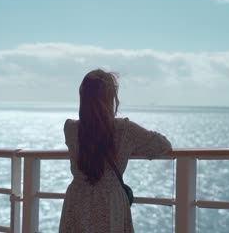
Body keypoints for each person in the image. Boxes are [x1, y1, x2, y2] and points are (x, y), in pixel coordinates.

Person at [59, 69, 172, 233]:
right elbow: (162, 146)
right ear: (110, 97)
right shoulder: (124, 130)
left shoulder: (70, 128)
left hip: (77, 198)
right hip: (109, 201)